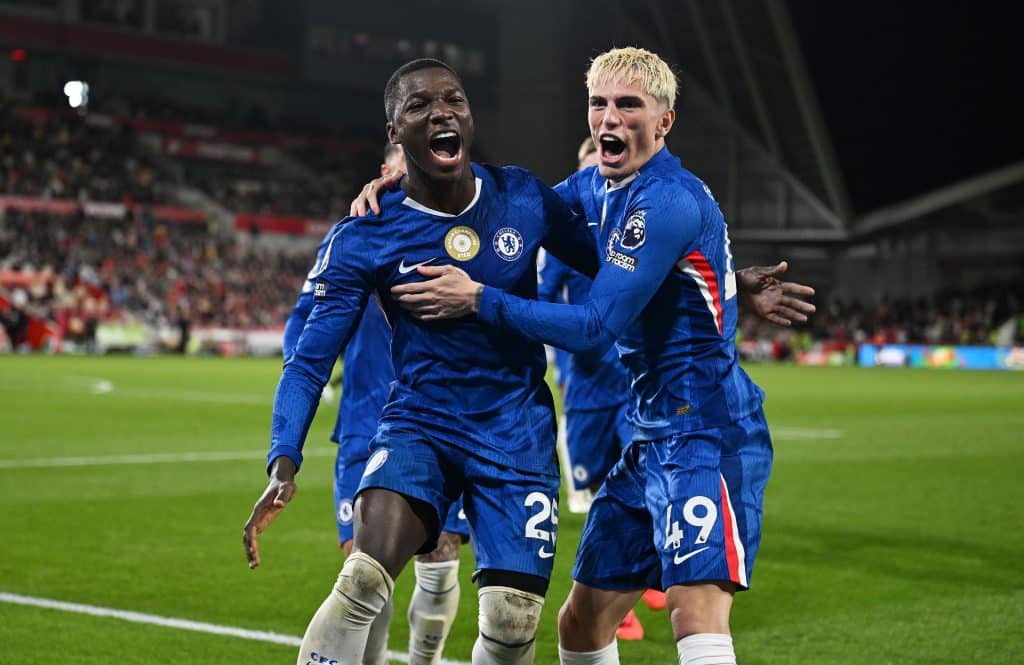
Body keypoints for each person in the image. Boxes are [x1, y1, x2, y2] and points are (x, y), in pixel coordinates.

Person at [386, 47, 815, 665]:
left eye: (628, 106)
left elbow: (593, 327)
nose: (609, 118)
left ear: (664, 121)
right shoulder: (594, 185)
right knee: (582, 623)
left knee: (693, 608)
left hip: (707, 432)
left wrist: (478, 298)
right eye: (599, 104)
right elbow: (501, 205)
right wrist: (405, 188)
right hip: (647, 437)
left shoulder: (668, 199)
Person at [243, 58, 603, 665]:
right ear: (395, 133)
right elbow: (307, 362)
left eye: (453, 99)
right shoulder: (366, 232)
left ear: (469, 116)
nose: (441, 112)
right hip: (419, 426)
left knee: (513, 621)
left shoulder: (522, 197)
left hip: (515, 432)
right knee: (361, 580)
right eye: (418, 106)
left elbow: (620, 269)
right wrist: (283, 459)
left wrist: (722, 282)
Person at [271, 142, 471, 665]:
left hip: (447, 425)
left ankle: (424, 661)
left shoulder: (468, 231)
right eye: (412, 159)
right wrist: (314, 369)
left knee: (440, 558)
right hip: (367, 423)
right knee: (364, 569)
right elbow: (304, 321)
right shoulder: (355, 235)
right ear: (387, 171)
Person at [538, 136, 661, 642]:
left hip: (633, 380)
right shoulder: (569, 244)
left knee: (646, 483)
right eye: (589, 173)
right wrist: (563, 366)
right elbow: (543, 300)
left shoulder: (636, 233)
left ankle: (647, 577)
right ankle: (608, 596)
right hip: (587, 385)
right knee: (592, 498)